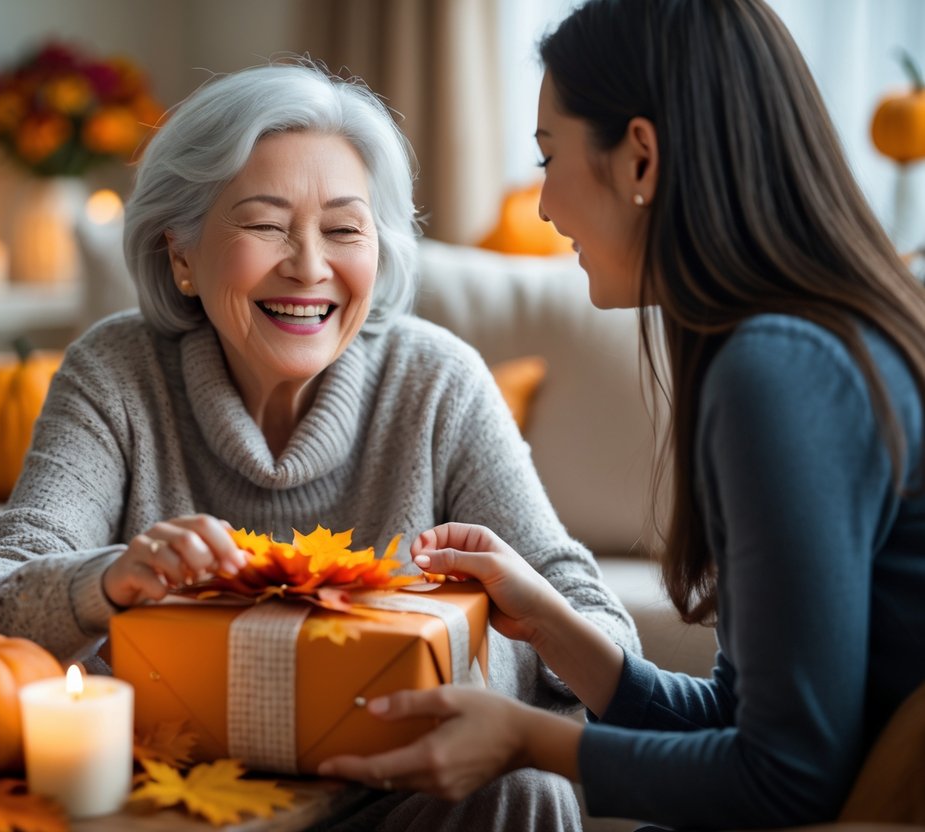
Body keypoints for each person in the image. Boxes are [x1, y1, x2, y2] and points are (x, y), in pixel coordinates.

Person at [0, 58, 639, 830]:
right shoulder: (116, 372)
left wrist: (458, 645)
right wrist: (107, 579)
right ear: (181, 254)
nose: (309, 266)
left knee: (527, 793)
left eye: (343, 229)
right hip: (175, 800)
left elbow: (603, 635)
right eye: (265, 224)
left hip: (390, 798)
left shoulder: (437, 381)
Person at [318, 0, 925, 828]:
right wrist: (554, 626)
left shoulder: (778, 368)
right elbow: (747, 728)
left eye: (547, 156)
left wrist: (526, 740)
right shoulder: (818, 339)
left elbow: (784, 779)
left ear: (639, 157)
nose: (539, 206)